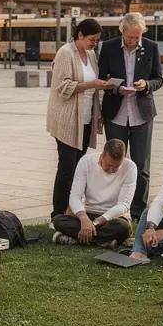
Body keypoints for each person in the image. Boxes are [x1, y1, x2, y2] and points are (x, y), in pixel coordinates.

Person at [98, 13, 163, 221]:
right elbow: (102, 78)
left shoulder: (151, 47)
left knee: (141, 165)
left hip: (142, 114)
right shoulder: (108, 47)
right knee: (115, 162)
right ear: (122, 30)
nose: (133, 41)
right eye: (130, 37)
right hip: (115, 113)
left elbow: (158, 79)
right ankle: (115, 208)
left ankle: (137, 211)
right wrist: (117, 89)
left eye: (137, 37)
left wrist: (146, 85)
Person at [47, 18, 108, 221]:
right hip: (67, 119)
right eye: (92, 39)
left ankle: (72, 208)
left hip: (86, 118)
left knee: (79, 168)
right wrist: (92, 84)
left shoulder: (90, 55)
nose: (95, 44)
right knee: (67, 167)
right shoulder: (66, 52)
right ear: (80, 35)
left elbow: (93, 90)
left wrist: (97, 114)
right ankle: (58, 212)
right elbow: (63, 87)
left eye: (97, 40)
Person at [52, 138, 136, 246]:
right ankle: (105, 241)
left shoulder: (130, 167)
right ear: (102, 155)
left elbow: (124, 204)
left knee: (124, 227)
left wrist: (95, 223)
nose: (111, 170)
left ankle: (77, 238)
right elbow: (75, 196)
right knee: (58, 220)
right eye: (108, 165)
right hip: (87, 213)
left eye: (115, 167)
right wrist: (83, 219)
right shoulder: (86, 161)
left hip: (113, 217)